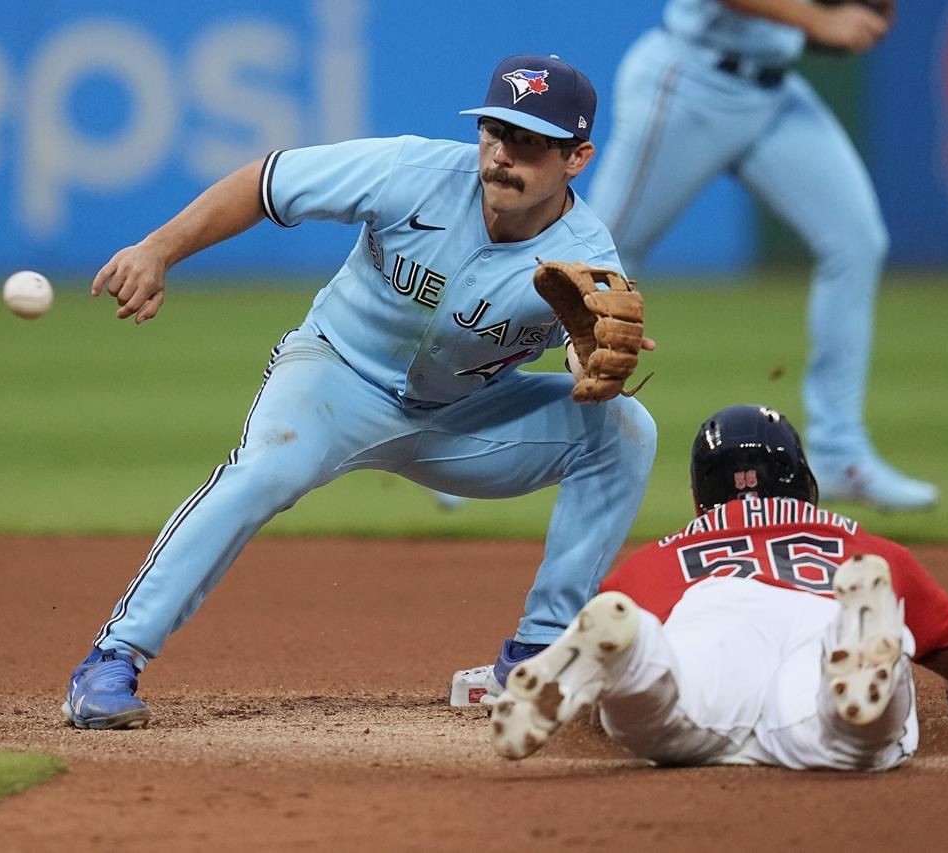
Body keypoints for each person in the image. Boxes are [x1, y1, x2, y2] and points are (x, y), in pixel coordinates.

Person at [61, 54, 658, 730]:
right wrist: (159, 249)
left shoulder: (589, 255)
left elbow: (593, 363)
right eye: (495, 132)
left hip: (461, 418)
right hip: (333, 376)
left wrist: (595, 365)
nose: (501, 156)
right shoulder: (412, 171)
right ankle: (111, 659)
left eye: (529, 143)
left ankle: (534, 657)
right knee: (265, 469)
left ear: (576, 157)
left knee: (627, 432)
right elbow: (267, 183)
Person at [487, 405, 948, 770]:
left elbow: (601, 729)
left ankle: (635, 652)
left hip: (709, 616)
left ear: (699, 492)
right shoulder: (872, 552)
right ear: (803, 479)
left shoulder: (654, 560)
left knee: (664, 718)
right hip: (822, 614)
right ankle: (854, 647)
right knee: (846, 743)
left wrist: (607, 714)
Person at [585, 0, 938, 511]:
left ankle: (840, 453)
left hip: (774, 93)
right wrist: (820, 21)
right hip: (691, 81)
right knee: (595, 263)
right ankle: (468, 401)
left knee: (855, 241)